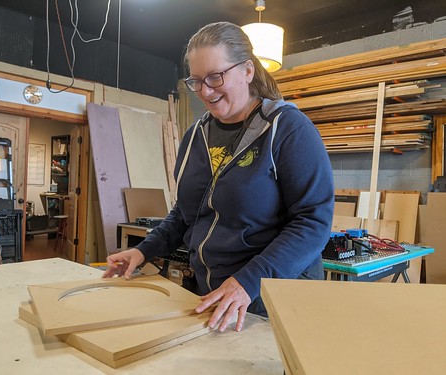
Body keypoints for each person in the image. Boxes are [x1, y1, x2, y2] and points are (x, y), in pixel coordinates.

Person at [103, 21, 334, 333]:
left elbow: (313, 222)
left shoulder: (288, 129)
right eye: (196, 81)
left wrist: (247, 282)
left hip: (275, 299)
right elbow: (187, 214)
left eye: (215, 77)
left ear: (248, 71)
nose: (206, 91)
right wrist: (144, 250)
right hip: (214, 295)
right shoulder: (195, 137)